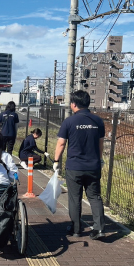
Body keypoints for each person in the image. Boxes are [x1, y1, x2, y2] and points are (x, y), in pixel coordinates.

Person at [53, 90, 106, 240]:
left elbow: (61, 143)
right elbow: (100, 143)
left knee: (74, 198)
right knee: (95, 197)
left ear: (74, 104)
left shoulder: (69, 122)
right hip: (93, 166)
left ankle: (76, 229)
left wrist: (56, 161)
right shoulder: (98, 121)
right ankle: (99, 229)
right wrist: (99, 159)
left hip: (74, 167)